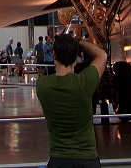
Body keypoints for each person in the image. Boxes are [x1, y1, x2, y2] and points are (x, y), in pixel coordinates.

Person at [37, 30, 108, 168]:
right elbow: (102, 55)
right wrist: (79, 43)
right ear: (76, 58)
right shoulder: (84, 83)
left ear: (54, 54)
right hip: (86, 160)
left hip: (58, 160)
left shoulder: (42, 85)